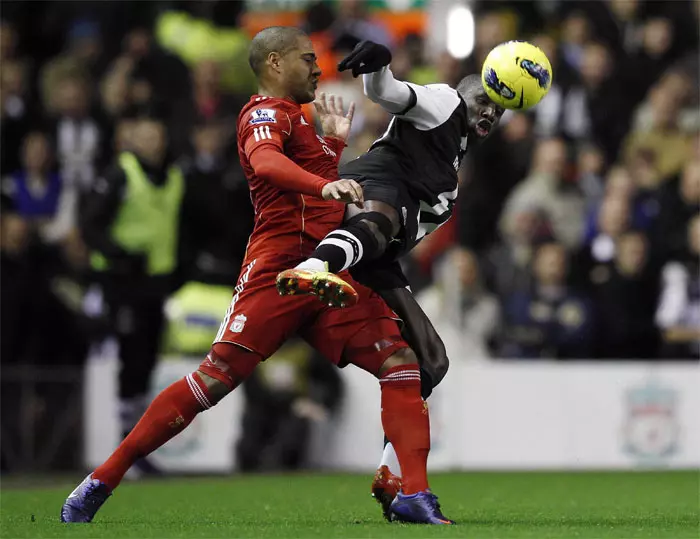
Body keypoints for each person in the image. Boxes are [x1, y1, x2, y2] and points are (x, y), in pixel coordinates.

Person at [61, 27, 454, 526]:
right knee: (213, 380)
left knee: (401, 360)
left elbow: (315, 194)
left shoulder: (302, 122)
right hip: (280, 268)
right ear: (274, 62)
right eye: (308, 59)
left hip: (329, 270)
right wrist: (325, 180)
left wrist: (331, 147)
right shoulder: (262, 114)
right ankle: (102, 479)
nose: (318, 68)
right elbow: (267, 164)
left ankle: (415, 495)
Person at [275, 40, 504, 514]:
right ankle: (313, 266)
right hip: (371, 189)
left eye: (497, 111)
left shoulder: (453, 168)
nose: (489, 112)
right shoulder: (444, 101)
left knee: (433, 360)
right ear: (463, 94)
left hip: (382, 250)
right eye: (484, 101)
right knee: (379, 223)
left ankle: (389, 473)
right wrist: (379, 64)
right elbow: (393, 93)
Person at [80, 112, 184, 477]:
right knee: (130, 361)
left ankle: (137, 442)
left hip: (155, 283)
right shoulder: (120, 174)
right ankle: (128, 444)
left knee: (146, 360)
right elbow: (90, 224)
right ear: (133, 141)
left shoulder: (172, 177)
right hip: (122, 282)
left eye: (158, 137)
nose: (154, 144)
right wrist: (119, 256)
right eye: (146, 137)